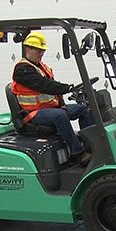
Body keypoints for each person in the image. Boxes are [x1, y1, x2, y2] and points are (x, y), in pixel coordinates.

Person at [11, 31, 93, 163]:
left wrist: (64, 101)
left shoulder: (41, 67)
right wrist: (68, 88)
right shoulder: (22, 70)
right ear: (28, 49)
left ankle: (91, 146)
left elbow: (53, 89)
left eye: (42, 50)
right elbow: (45, 85)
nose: (41, 53)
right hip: (33, 113)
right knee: (60, 116)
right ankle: (78, 153)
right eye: (38, 50)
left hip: (49, 108)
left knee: (84, 108)